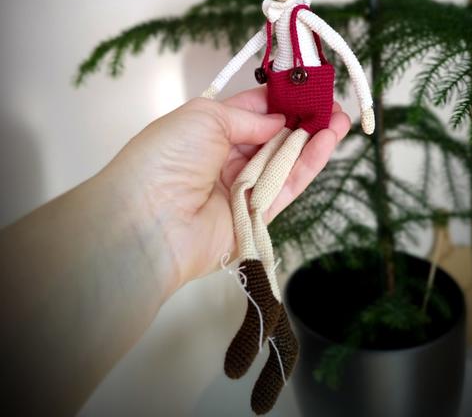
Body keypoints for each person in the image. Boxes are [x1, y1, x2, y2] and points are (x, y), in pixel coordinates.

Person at [0, 87, 351, 416]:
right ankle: (273, 323)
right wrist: (210, 97)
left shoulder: (307, 55)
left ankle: (272, 322)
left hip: (299, 129)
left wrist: (366, 108)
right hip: (281, 131)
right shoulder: (278, 48)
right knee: (245, 195)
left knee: (252, 201)